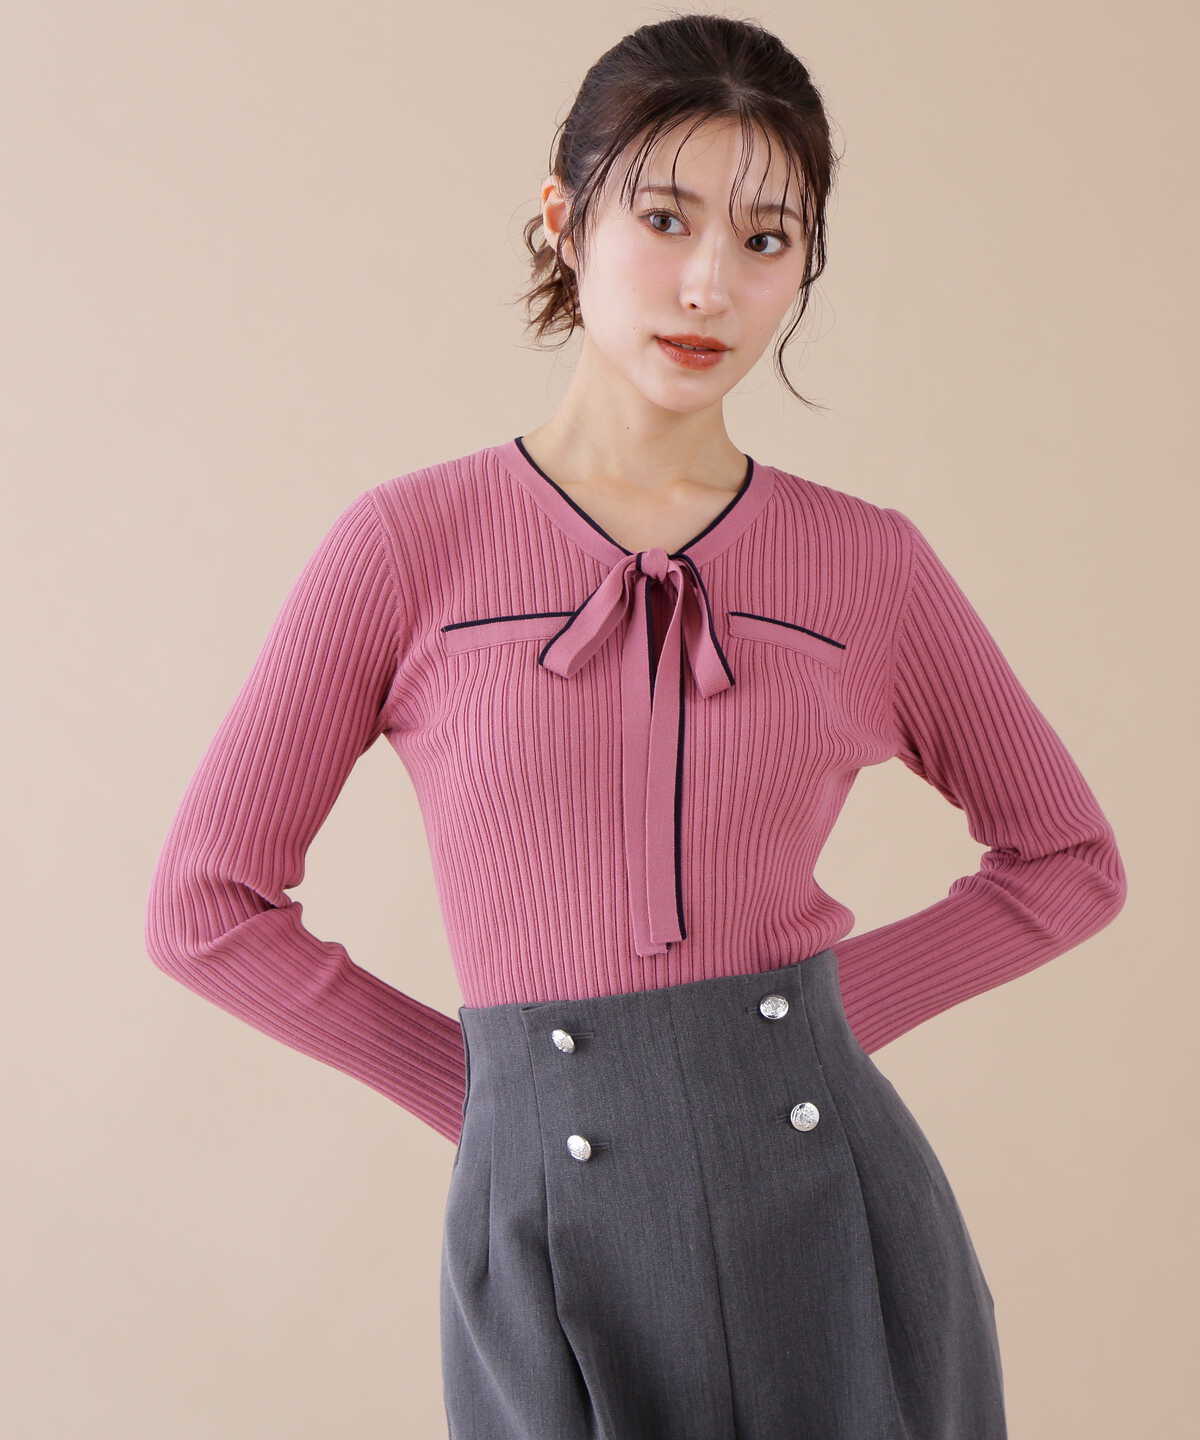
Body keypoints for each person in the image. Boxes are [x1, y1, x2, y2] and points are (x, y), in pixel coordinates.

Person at [145, 13, 1127, 1438]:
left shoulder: (869, 562)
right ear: (564, 219)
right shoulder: (409, 545)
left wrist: (813, 1028)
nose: (710, 282)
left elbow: (1071, 861)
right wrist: (490, 1092)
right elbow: (203, 906)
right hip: (551, 1215)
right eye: (664, 218)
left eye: (767, 239)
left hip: (831, 1206)